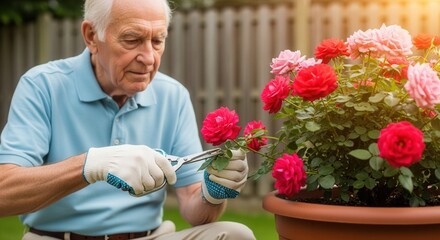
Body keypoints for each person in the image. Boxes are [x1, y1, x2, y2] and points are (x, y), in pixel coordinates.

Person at [0, 0, 256, 239]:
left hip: (151, 236)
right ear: (92, 36)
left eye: (158, 41)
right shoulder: (43, 86)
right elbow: (4, 192)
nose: (148, 58)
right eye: (132, 40)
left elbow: (194, 208)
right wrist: (90, 165)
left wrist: (212, 192)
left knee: (235, 233)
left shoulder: (173, 95)